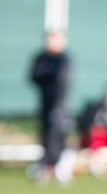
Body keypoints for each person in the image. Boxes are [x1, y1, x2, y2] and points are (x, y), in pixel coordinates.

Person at [29, 31, 72, 185]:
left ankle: (59, 167)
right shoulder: (41, 58)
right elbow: (34, 76)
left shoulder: (63, 60)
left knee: (57, 135)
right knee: (45, 134)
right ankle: (45, 167)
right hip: (44, 102)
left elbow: (61, 81)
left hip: (58, 103)